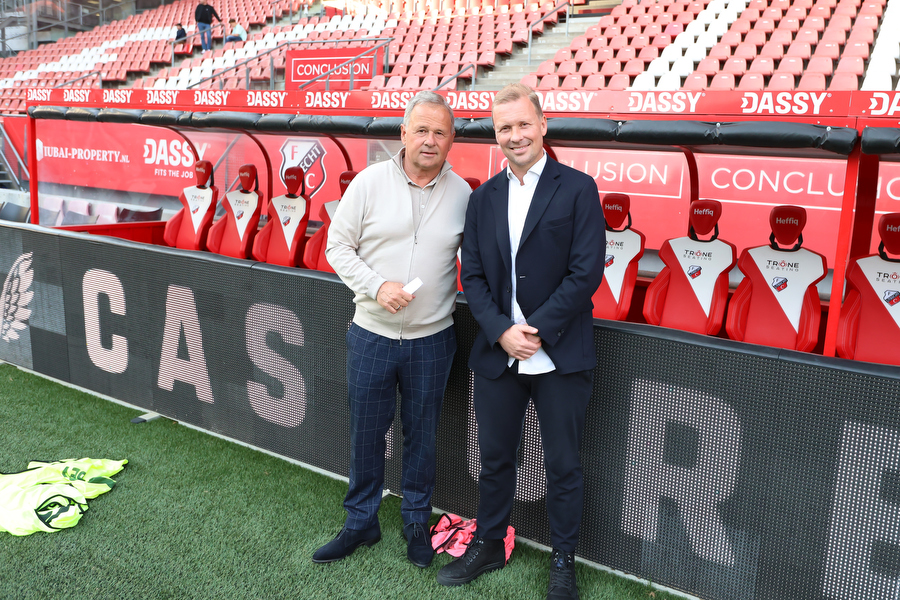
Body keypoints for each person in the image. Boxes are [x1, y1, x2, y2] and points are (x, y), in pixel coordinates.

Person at [436, 83, 605, 600]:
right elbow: (473, 276)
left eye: (523, 124)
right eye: (504, 127)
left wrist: (534, 330)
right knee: (494, 458)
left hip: (560, 352)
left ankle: (563, 560)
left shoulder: (578, 188)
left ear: (543, 125)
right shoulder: (483, 198)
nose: (515, 135)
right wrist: (501, 331)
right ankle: (489, 543)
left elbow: (586, 272)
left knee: (563, 464)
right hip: (499, 352)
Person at [313, 91, 471, 569]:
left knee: (422, 436)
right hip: (372, 334)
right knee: (366, 433)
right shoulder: (369, 182)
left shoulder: (464, 194)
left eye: (440, 132)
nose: (430, 140)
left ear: (452, 140)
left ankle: (416, 522)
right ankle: (360, 521)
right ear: (403, 133)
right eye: (421, 130)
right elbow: (337, 247)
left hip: (433, 339)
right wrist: (377, 286)